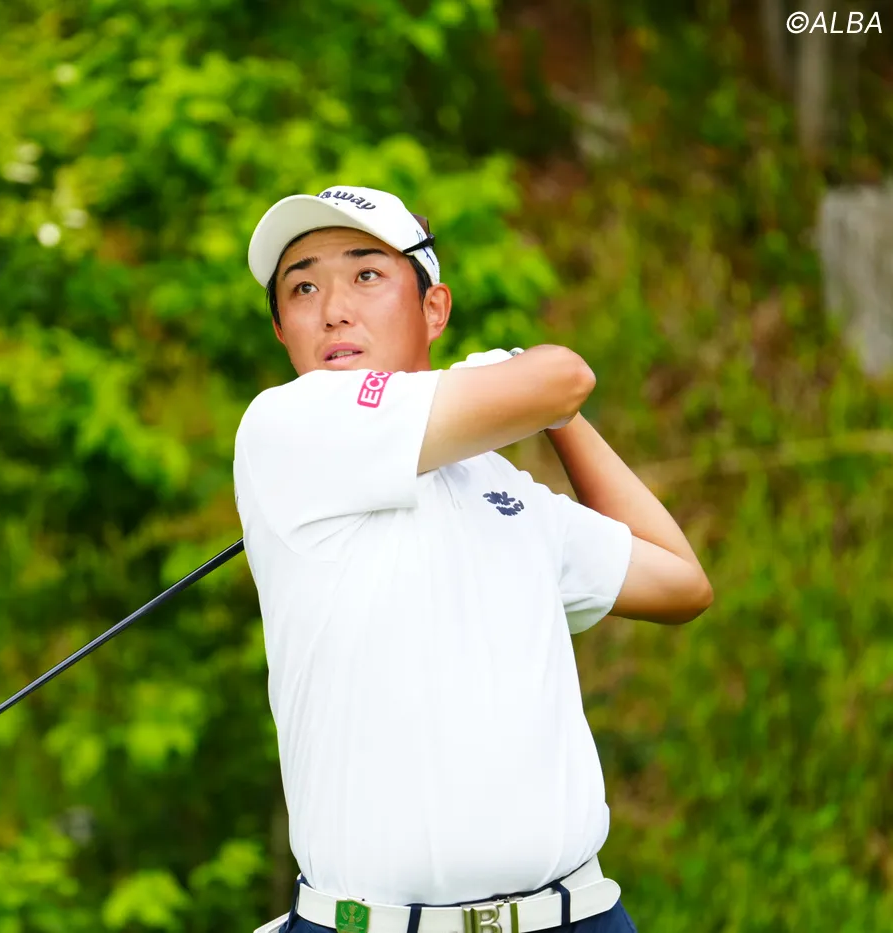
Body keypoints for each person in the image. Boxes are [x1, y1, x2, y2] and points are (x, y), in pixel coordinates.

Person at [234, 185, 713, 933]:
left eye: (366, 274)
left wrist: (558, 419)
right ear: (281, 330)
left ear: (434, 309)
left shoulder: (498, 485)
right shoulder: (285, 426)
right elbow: (564, 373)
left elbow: (680, 582)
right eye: (303, 288)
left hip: (579, 916)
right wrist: (529, 386)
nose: (333, 309)